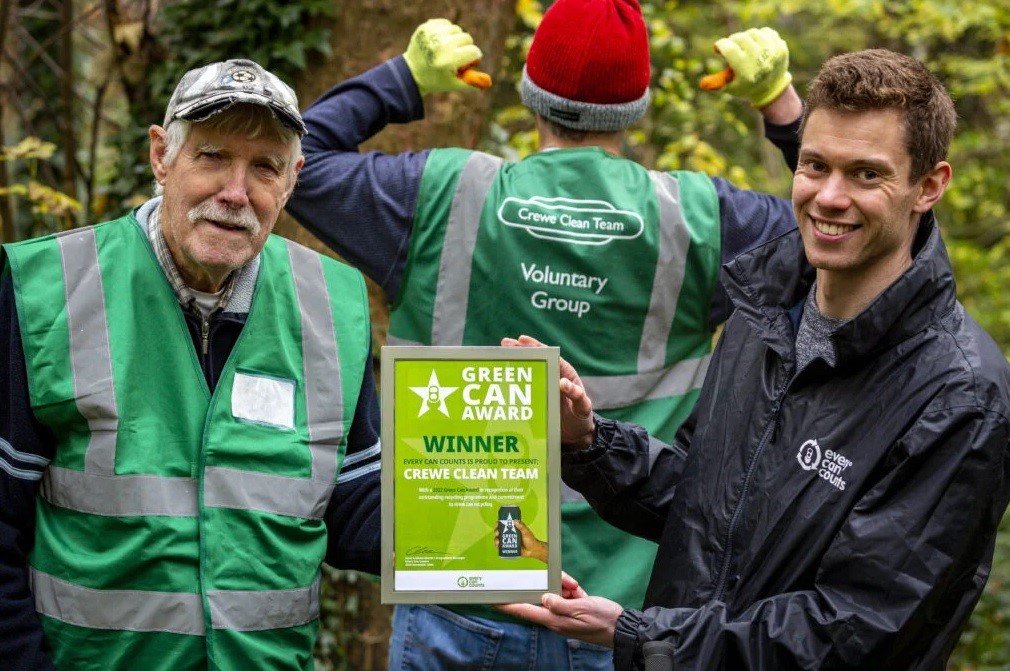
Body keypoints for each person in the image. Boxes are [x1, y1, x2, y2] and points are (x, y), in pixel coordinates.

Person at [284, 1, 803, 668]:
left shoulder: (440, 194)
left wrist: (404, 78)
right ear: (635, 106)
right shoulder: (703, 219)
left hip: (461, 592)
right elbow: (836, 224)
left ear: (533, 95)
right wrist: (783, 108)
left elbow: (294, 162)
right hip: (617, 611)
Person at [499, 47, 1010, 670]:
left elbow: (857, 630)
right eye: (815, 165)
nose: (829, 196)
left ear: (929, 186)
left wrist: (644, 638)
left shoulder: (960, 393)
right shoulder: (761, 312)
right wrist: (589, 442)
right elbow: (703, 505)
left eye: (866, 175)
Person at [0, 58, 382, 670]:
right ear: (161, 156)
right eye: (211, 156)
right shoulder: (50, 291)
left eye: (264, 167)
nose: (236, 193)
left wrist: (493, 542)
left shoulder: (331, 304)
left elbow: (358, 506)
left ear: (293, 180)